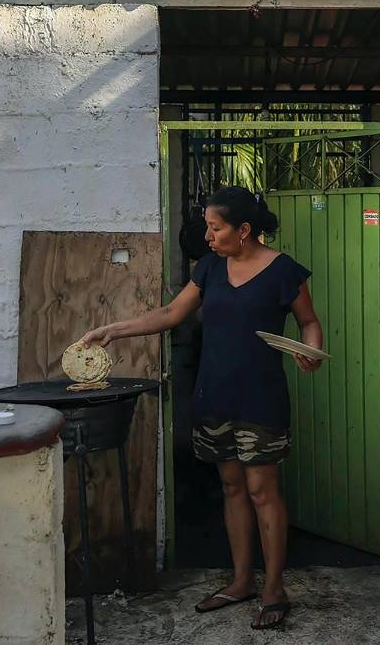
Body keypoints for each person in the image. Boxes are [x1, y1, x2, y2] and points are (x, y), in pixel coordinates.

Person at [80, 186, 322, 630]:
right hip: (214, 397)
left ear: (243, 230)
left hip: (261, 399)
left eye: (215, 228)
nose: (207, 237)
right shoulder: (209, 268)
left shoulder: (283, 271)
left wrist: (311, 352)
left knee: (261, 490)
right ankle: (241, 581)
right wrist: (113, 330)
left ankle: (274, 589)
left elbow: (308, 321)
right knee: (231, 489)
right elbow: (171, 313)